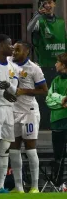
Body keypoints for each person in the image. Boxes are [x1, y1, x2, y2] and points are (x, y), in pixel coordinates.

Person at [9, 41, 48, 193]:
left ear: (26, 52)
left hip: (29, 112)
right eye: (13, 49)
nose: (14, 52)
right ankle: (18, 187)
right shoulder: (8, 63)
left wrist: (23, 91)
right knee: (14, 149)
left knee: (31, 149)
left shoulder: (34, 68)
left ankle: (35, 187)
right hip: (12, 111)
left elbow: (44, 90)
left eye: (18, 50)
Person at [0, 34, 18, 193]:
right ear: (0, 46)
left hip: (9, 111)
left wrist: (9, 88)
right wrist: (1, 93)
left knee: (5, 149)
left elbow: (15, 90)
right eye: (9, 44)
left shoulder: (12, 67)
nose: (12, 47)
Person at [46, 53, 67, 186]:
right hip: (57, 122)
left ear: (64, 65)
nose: (55, 64)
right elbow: (48, 99)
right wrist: (62, 101)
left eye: (57, 62)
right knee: (58, 156)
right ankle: (58, 184)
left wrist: (57, 99)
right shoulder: (55, 80)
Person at [27, 0, 66, 68]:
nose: (47, 5)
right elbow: (29, 29)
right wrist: (38, 14)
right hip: (45, 66)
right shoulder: (39, 21)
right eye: (45, 3)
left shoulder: (62, 22)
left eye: (49, 2)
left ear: (54, 4)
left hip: (62, 65)